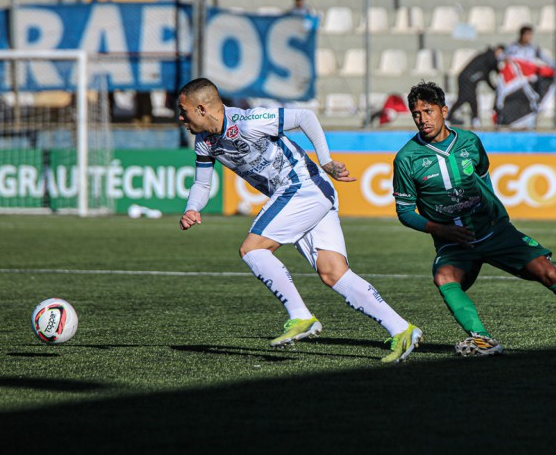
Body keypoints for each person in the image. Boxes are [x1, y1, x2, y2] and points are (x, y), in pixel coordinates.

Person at [177, 78, 422, 363]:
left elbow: (305, 116)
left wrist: (326, 160)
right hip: (309, 195)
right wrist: (193, 207)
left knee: (252, 249)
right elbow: (202, 184)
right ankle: (402, 329)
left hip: (302, 186)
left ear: (202, 108)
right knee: (333, 272)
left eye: (184, 111)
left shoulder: (248, 121)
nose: (181, 118)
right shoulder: (204, 142)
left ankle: (300, 316)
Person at [392, 81, 556, 357]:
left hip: (494, 230)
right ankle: (484, 339)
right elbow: (404, 211)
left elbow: (483, 175)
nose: (422, 119)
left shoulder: (469, 141)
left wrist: (496, 215)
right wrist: (441, 230)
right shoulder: (406, 158)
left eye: (428, 111)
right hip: (454, 242)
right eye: (416, 114)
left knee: (548, 272)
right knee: (443, 277)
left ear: (444, 110)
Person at [448, 45, 504, 128]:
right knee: (465, 99)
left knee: (468, 99)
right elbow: (487, 75)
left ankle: (473, 118)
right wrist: (494, 88)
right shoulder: (489, 58)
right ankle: (450, 118)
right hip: (467, 79)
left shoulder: (489, 59)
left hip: (470, 80)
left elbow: (490, 73)